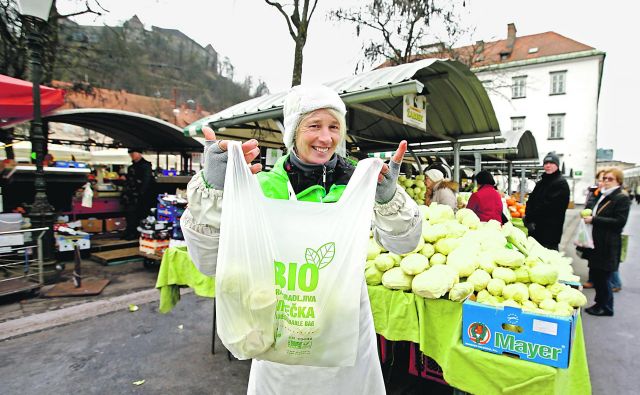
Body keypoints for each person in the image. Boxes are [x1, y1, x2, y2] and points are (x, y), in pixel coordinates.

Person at [181, 84, 422, 395]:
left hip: (346, 344)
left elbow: (404, 245)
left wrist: (388, 199)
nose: (326, 138)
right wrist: (213, 191)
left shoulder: (358, 186)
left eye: (334, 127)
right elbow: (210, 262)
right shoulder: (263, 188)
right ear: (293, 133)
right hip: (283, 340)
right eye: (314, 126)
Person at [582, 168, 630, 316]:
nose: (606, 181)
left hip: (608, 244)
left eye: (610, 179)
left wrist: (594, 220)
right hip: (598, 242)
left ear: (618, 181)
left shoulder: (620, 198)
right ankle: (599, 303)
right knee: (598, 275)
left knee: (604, 278)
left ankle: (606, 307)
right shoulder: (604, 195)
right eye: (605, 179)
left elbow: (619, 221)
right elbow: (593, 209)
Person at [523, 152, 570, 250]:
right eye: (546, 163)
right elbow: (531, 200)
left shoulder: (561, 184)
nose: (548, 165)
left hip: (550, 233)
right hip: (536, 230)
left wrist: (530, 217)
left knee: (548, 260)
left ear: (557, 165)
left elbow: (549, 207)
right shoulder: (541, 183)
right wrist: (528, 217)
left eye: (551, 163)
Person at [122, 148, 154, 240]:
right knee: (130, 215)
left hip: (140, 196)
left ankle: (134, 233)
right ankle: (130, 231)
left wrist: (141, 193)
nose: (131, 155)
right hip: (131, 195)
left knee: (137, 215)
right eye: (130, 154)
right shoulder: (131, 167)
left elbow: (146, 182)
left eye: (133, 153)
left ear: (139, 154)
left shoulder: (145, 166)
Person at [582, 170, 605, 289]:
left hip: (603, 234)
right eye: (600, 180)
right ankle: (593, 280)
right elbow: (589, 206)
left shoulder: (607, 196)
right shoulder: (596, 193)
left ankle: (614, 283)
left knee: (605, 264)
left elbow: (618, 221)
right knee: (593, 257)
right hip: (593, 230)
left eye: (604, 180)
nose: (601, 182)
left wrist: (593, 219)